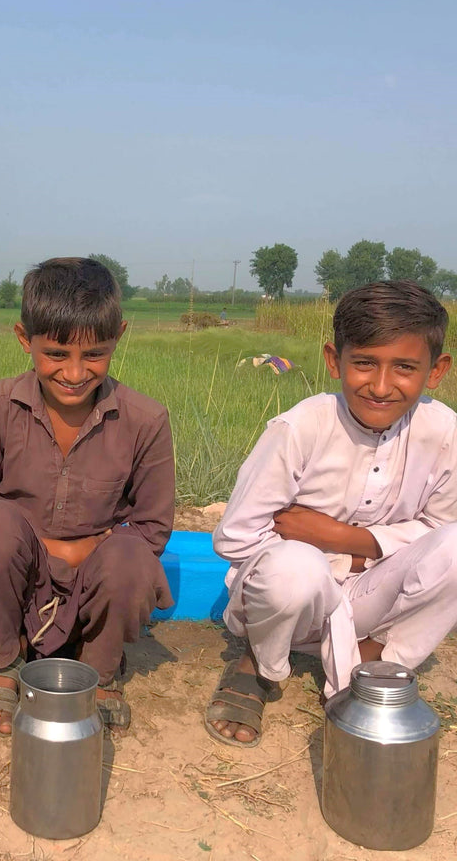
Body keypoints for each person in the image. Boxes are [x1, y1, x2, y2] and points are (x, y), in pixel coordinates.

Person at [208, 280, 457, 746]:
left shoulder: (445, 433)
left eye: (405, 367)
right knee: (296, 567)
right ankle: (261, 664)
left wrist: (348, 542)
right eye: (364, 363)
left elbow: (441, 530)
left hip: (370, 597)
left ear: (436, 370)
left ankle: (376, 659)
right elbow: (235, 537)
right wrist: (318, 560)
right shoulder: (300, 427)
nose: (381, 386)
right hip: (286, 603)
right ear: (333, 360)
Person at [0, 257, 175, 735]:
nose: (74, 373)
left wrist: (86, 551)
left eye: (94, 355)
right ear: (24, 339)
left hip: (92, 582)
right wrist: (56, 550)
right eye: (55, 354)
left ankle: (100, 670)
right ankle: (3, 662)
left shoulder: (145, 420)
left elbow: (152, 528)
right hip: (10, 578)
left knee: (131, 557)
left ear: (119, 337)